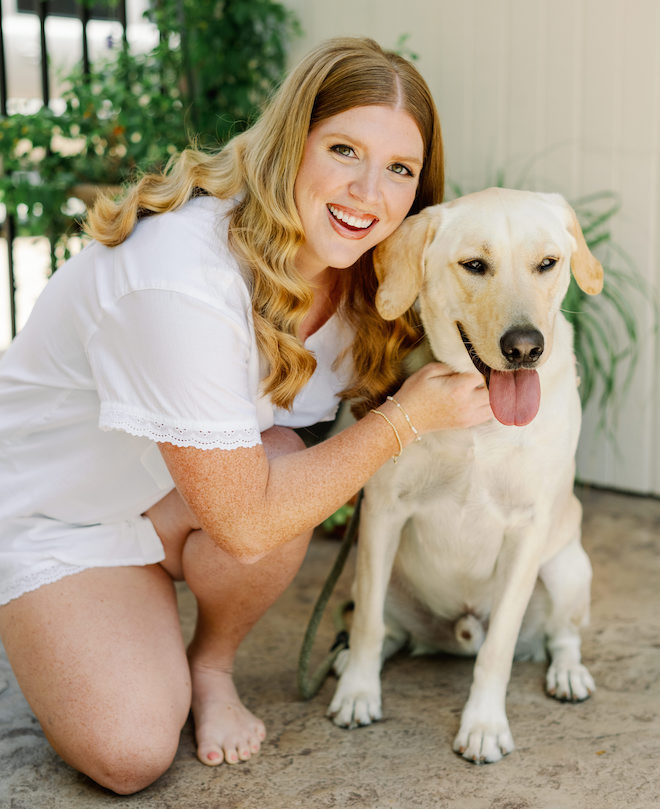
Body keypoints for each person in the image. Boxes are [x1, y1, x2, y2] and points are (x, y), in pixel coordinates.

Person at [0, 37, 491, 794]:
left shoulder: (361, 274)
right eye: (344, 150)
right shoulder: (182, 274)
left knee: (288, 460)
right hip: (55, 513)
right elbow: (247, 524)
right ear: (293, 140)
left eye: (399, 169)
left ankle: (208, 662)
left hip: (164, 497)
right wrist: (404, 420)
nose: (369, 191)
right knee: (130, 752)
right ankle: (76, 617)